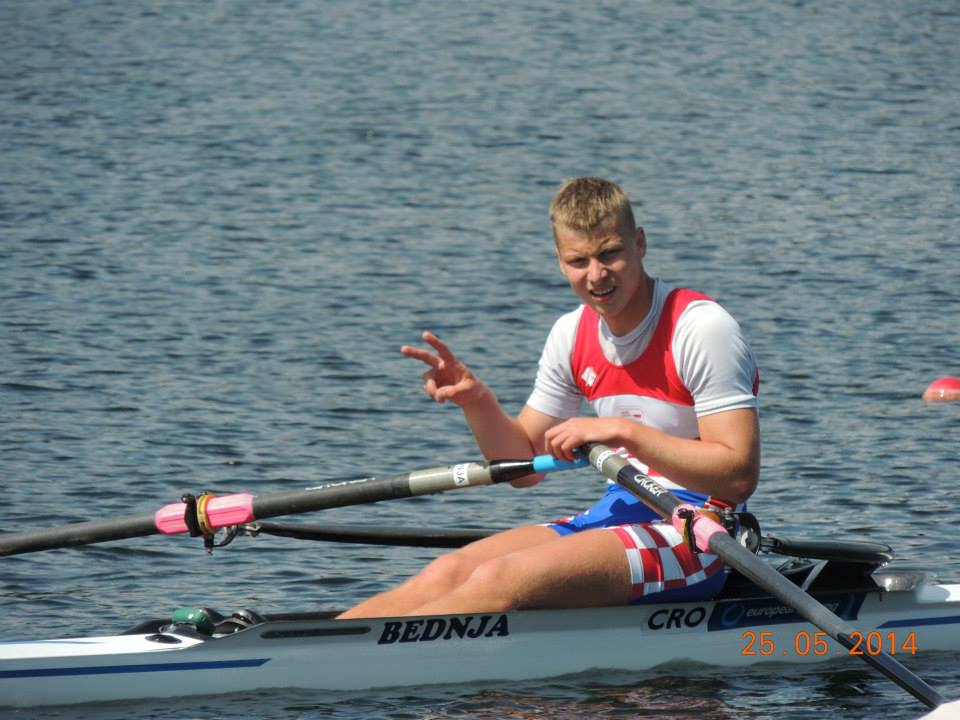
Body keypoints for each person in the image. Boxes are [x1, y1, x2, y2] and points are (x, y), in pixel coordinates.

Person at [338, 177, 760, 619]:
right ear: (560, 262)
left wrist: (623, 432)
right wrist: (477, 402)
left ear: (639, 243)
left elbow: (736, 477)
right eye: (579, 261)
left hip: (700, 532)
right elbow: (522, 468)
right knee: (448, 572)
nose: (596, 275)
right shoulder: (571, 333)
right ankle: (321, 647)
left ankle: (376, 653)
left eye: (609, 254)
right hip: (616, 513)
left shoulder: (700, 328)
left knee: (501, 579)